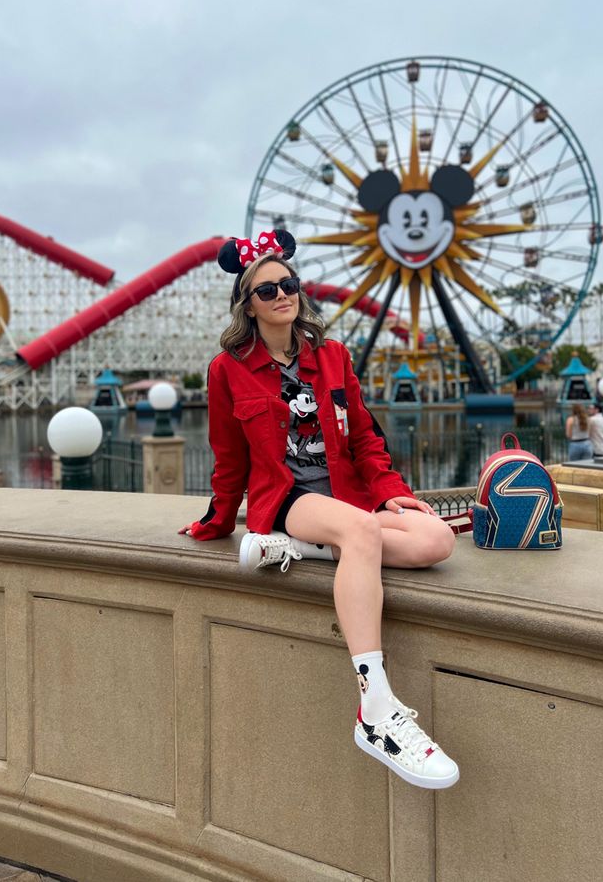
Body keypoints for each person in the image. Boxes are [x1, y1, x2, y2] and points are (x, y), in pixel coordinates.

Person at [179, 228, 459, 790]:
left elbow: (364, 440)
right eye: (266, 290)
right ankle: (375, 708)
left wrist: (389, 493)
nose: (282, 294)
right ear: (248, 306)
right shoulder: (226, 369)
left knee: (436, 540)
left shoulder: (332, 357)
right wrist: (218, 521)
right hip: (288, 498)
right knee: (359, 532)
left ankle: (298, 552)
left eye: (289, 284)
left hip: (346, 496)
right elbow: (229, 457)